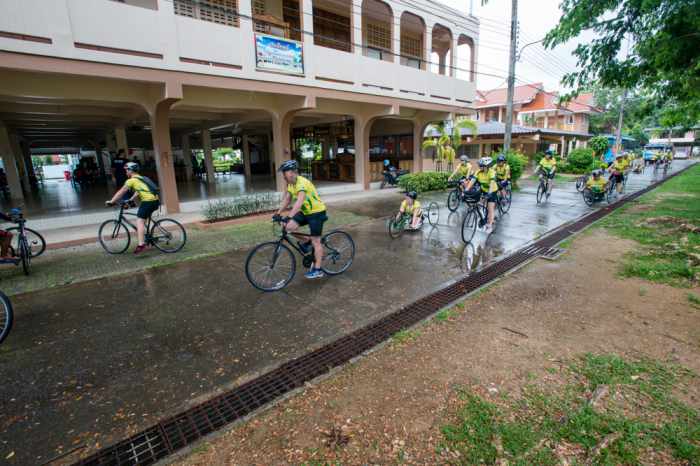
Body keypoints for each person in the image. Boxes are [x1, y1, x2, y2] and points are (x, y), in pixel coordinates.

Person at [275, 160, 328, 280]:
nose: (283, 175)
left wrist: (289, 216)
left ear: (293, 172)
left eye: (285, 172)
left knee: (316, 241)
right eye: (283, 173)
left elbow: (299, 202)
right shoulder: (291, 184)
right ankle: (307, 240)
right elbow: (287, 200)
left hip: (316, 212)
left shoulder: (301, 183)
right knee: (288, 227)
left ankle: (318, 269)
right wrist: (278, 213)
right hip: (306, 212)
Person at [106, 162, 160, 255]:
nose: (126, 172)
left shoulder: (131, 180)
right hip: (155, 201)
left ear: (131, 170)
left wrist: (112, 201)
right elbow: (140, 191)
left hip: (148, 202)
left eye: (126, 170)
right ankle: (148, 239)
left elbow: (121, 192)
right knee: (143, 221)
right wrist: (131, 199)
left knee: (139, 221)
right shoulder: (141, 178)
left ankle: (141, 245)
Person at [465, 157, 498, 232]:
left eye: (481, 165)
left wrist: (489, 193)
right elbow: (472, 181)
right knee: (477, 202)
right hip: (483, 189)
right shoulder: (478, 172)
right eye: (479, 165)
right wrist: (466, 190)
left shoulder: (491, 172)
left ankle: (489, 225)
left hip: (492, 190)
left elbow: (492, 183)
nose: (480, 167)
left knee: (490, 208)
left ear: (487, 166)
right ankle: (482, 216)